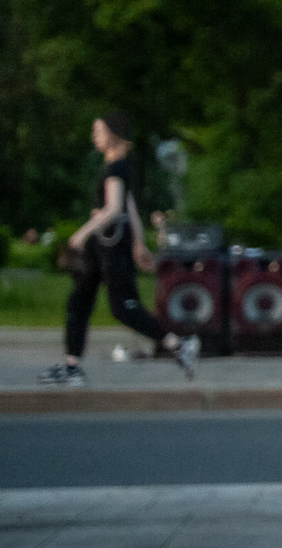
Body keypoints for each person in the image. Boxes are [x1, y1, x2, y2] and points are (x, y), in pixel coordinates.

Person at [42, 110, 195, 385]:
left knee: (124, 308)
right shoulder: (115, 167)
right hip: (105, 245)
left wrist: (80, 235)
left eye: (98, 131)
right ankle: (72, 366)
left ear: (113, 135)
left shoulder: (115, 168)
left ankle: (178, 344)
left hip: (111, 246)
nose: (94, 137)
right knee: (79, 301)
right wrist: (138, 243)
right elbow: (129, 206)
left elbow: (113, 209)